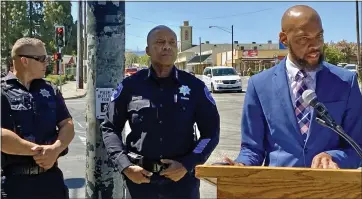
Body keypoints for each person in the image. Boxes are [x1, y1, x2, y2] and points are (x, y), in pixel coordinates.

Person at [224, 5, 362, 169]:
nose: (315, 45)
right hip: (278, 189)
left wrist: (334, 157)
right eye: (304, 38)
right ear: (284, 38)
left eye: (319, 36)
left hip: (329, 190)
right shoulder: (259, 85)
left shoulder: (346, 82)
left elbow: (357, 147)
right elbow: (252, 148)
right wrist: (240, 165)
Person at [101, 25, 220, 198]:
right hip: (141, 182)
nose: (167, 46)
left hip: (182, 183)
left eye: (172, 42)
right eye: (160, 42)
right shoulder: (130, 86)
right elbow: (110, 128)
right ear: (147, 50)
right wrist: (125, 165)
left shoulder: (195, 87)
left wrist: (188, 164)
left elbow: (211, 132)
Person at [1, 37, 75, 198]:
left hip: (51, 181)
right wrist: (41, 153)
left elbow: (67, 124)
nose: (46, 63)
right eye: (41, 59)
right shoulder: (2, 91)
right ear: (24, 61)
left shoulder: (49, 89)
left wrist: (55, 149)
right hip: (15, 184)